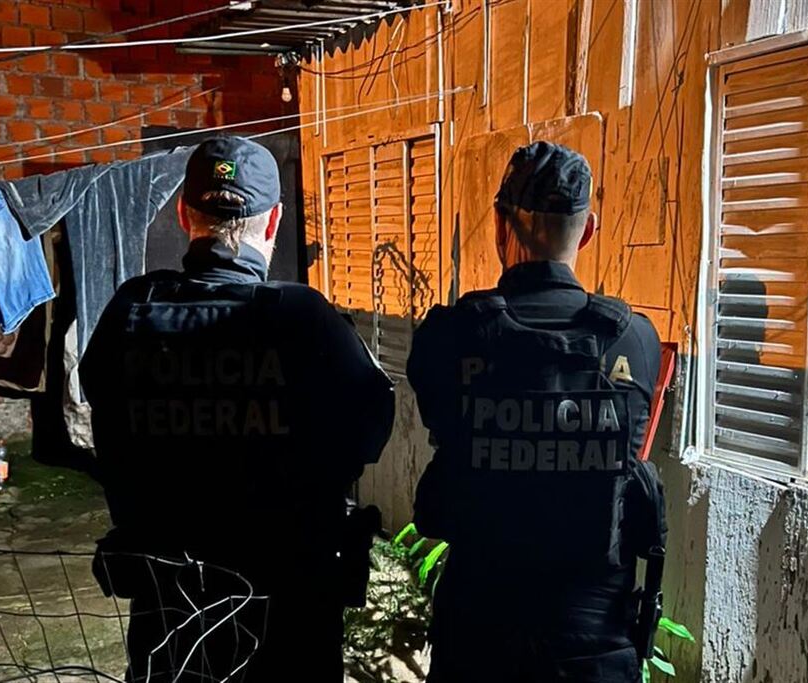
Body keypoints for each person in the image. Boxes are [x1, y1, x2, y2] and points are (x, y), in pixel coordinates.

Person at [81, 136, 395, 681]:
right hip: (290, 609)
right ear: (273, 222)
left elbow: (102, 424)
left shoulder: (132, 311)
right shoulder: (307, 321)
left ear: (183, 214)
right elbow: (370, 431)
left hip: (173, 611)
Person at [408, 141, 667, 682]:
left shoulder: (450, 335)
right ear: (589, 229)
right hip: (592, 647)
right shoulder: (634, 339)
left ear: (501, 226)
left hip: (478, 641)